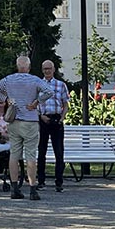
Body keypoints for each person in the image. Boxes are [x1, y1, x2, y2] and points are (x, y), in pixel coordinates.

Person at [0, 56, 54, 201]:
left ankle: (14, 188)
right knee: (30, 155)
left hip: (14, 121)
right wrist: (37, 102)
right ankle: (32, 189)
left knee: (14, 155)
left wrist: (6, 99)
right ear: (29, 67)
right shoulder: (35, 80)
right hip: (30, 121)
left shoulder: (9, 79)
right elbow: (49, 91)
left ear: (17, 66)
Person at [36, 60, 69, 193]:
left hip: (56, 118)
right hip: (43, 119)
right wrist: (40, 116)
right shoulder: (38, 84)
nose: (47, 71)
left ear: (54, 69)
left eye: (49, 68)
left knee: (59, 152)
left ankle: (59, 182)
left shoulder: (61, 85)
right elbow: (34, 104)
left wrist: (62, 118)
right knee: (41, 151)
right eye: (45, 69)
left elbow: (65, 104)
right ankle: (41, 181)